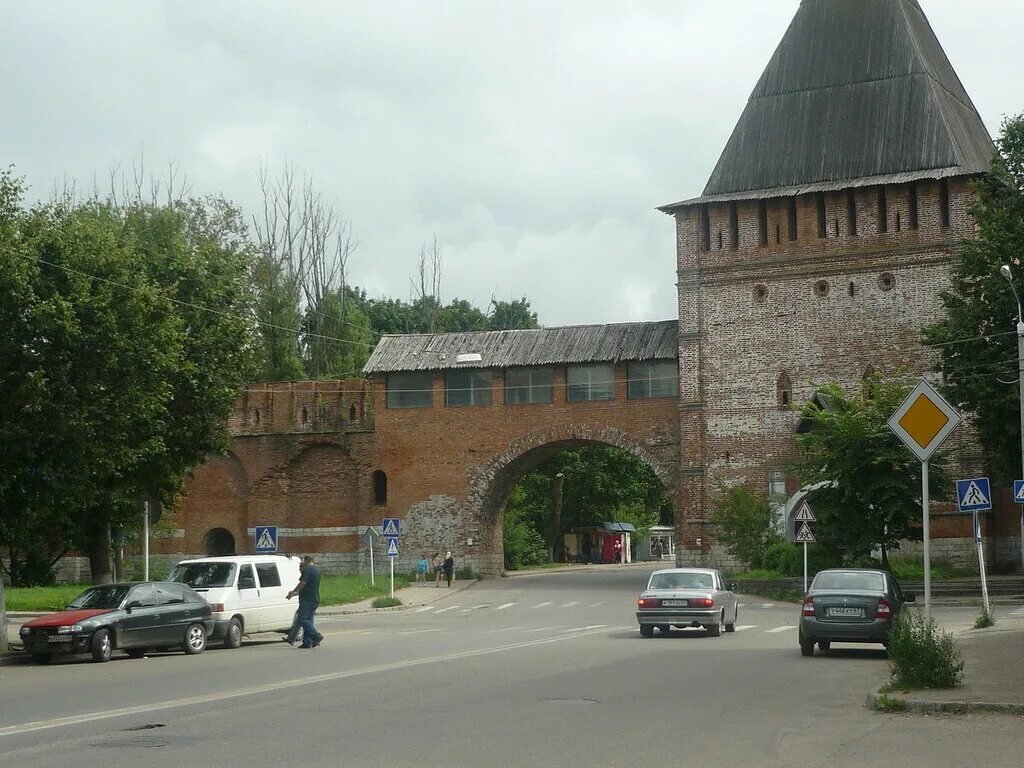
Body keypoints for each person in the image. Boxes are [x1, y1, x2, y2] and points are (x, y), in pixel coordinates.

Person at [286, 554, 323, 649]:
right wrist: (294, 594)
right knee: (309, 620)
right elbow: (308, 587)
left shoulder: (307, 569)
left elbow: (303, 583)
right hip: (315, 598)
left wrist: (294, 591)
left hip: (307, 599)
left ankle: (316, 636)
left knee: (302, 619)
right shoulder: (317, 570)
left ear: (306, 560)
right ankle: (307, 642)